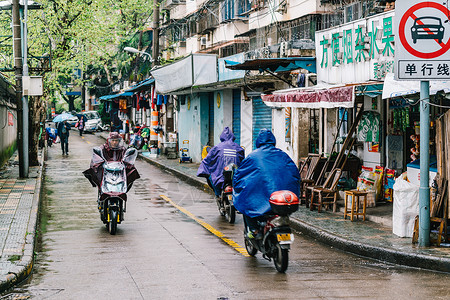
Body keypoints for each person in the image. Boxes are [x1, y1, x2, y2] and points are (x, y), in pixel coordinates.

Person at [233, 129, 300, 239]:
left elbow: (240, 175)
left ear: (258, 141)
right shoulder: (283, 155)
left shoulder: (253, 156)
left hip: (263, 198)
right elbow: (294, 174)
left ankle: (254, 230)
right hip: (282, 199)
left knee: (245, 204)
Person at [197, 127, 245, 198]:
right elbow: (243, 162)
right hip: (235, 178)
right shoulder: (238, 148)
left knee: (210, 176)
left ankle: (218, 195)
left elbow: (207, 161)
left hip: (220, 178)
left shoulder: (217, 147)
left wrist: (202, 170)